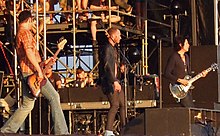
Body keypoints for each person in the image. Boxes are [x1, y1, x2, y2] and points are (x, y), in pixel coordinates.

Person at [0, 10, 69, 135]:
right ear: (29, 20)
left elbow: (27, 57)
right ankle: (62, 131)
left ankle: (7, 130)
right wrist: (39, 70)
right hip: (33, 73)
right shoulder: (25, 33)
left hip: (27, 72)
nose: (34, 24)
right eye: (33, 21)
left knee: (27, 105)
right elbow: (29, 52)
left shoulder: (19, 33)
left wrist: (44, 63)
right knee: (54, 97)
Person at [164, 36, 207, 107]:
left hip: (186, 88)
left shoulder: (186, 57)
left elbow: (188, 73)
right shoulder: (174, 57)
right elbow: (167, 73)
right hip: (177, 88)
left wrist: (200, 74)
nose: (188, 45)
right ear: (180, 45)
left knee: (191, 109)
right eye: (186, 43)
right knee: (190, 108)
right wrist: (180, 80)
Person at [98, 27, 126, 136]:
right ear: (113, 36)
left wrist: (120, 69)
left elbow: (113, 65)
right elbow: (107, 66)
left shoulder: (115, 49)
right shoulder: (107, 48)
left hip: (116, 80)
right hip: (109, 81)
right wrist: (114, 81)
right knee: (114, 104)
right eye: (118, 35)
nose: (120, 37)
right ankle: (108, 131)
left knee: (123, 104)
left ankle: (124, 129)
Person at [90, 0, 120, 66]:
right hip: (97, 16)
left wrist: (108, 8)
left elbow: (116, 7)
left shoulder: (109, 1)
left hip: (107, 16)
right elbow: (91, 7)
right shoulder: (96, 2)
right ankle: (94, 39)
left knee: (117, 18)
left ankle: (105, 22)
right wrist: (101, 8)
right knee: (93, 22)